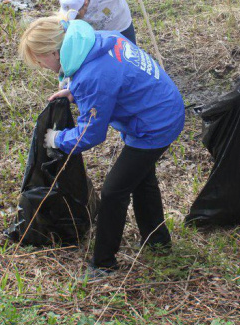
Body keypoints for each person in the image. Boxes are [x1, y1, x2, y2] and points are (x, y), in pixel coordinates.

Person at [18, 16, 185, 280]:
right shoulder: (99, 39)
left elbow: (91, 135)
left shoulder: (92, 75)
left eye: (39, 60)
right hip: (164, 105)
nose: (40, 66)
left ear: (54, 51)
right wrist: (75, 93)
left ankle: (104, 264)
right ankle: (158, 241)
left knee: (113, 192)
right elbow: (112, 83)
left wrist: (56, 139)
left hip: (155, 124)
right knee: (142, 179)